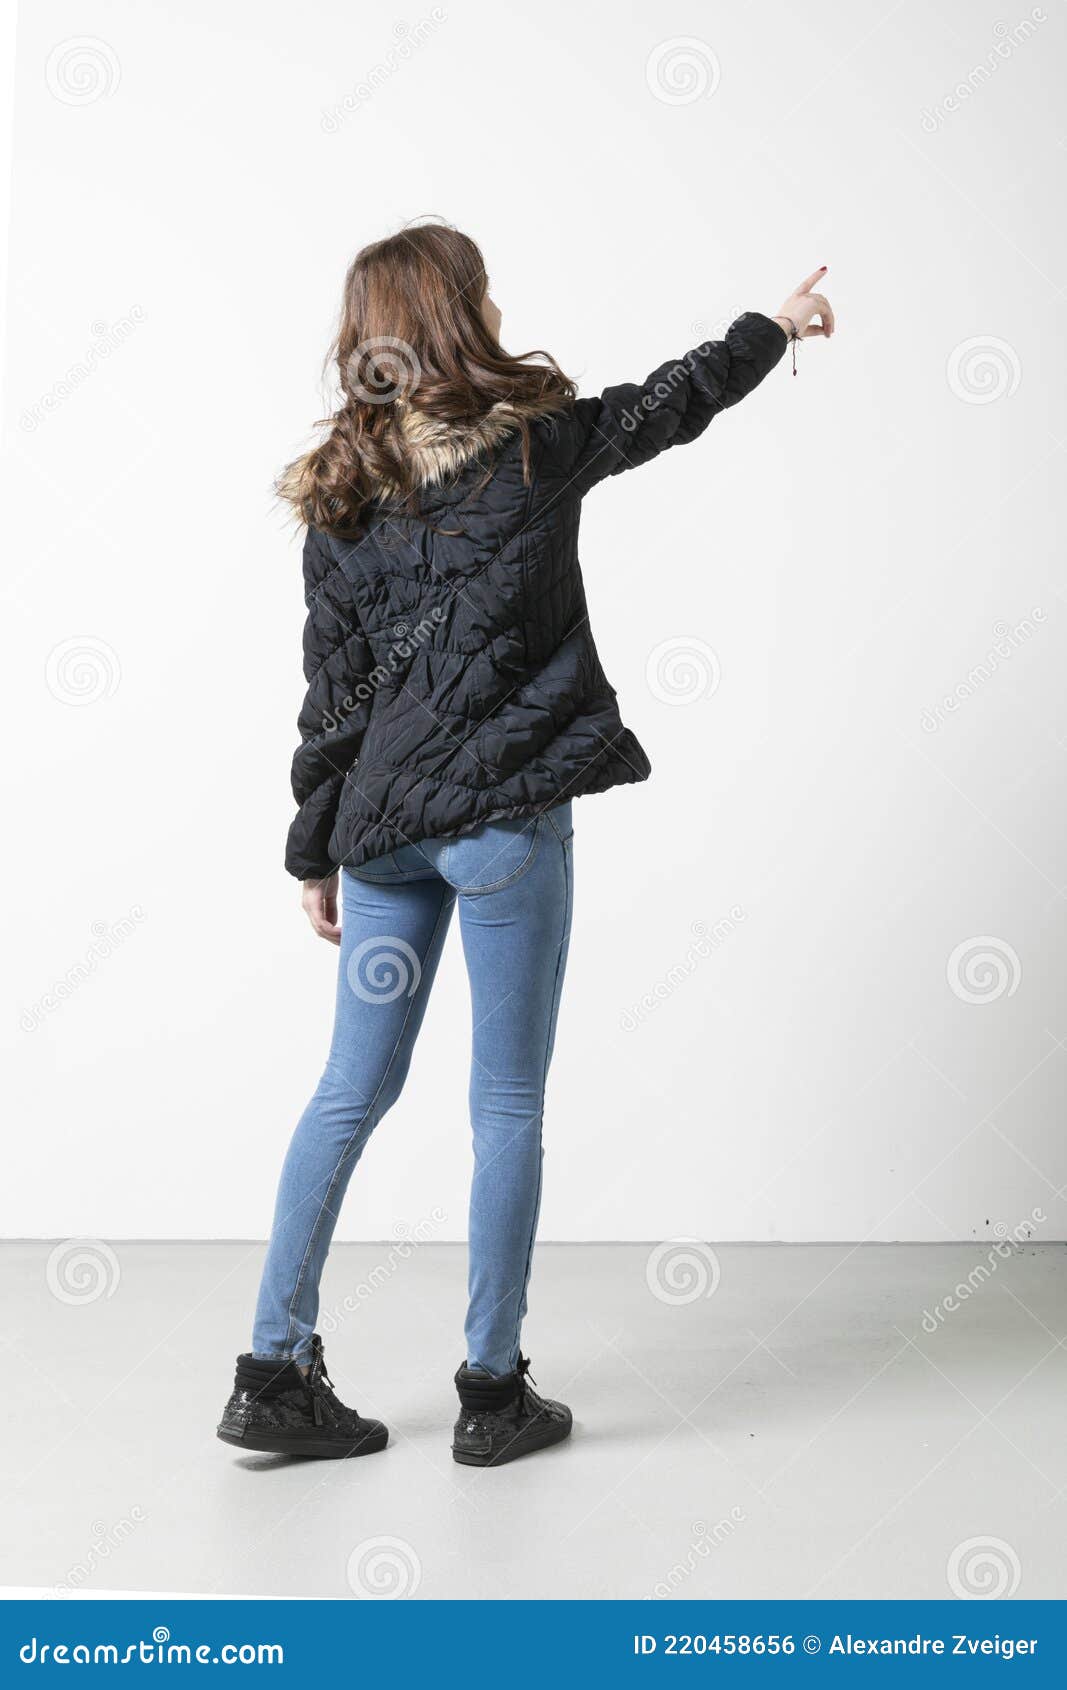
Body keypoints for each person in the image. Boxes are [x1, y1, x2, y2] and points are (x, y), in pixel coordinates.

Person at [216, 222, 834, 1467]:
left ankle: (272, 1372)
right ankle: (491, 1397)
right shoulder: (539, 446)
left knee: (348, 1090)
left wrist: (312, 848)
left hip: (383, 836)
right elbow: (671, 404)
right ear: (463, 314)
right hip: (500, 827)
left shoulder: (340, 489)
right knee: (503, 1103)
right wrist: (773, 324)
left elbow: (328, 692)